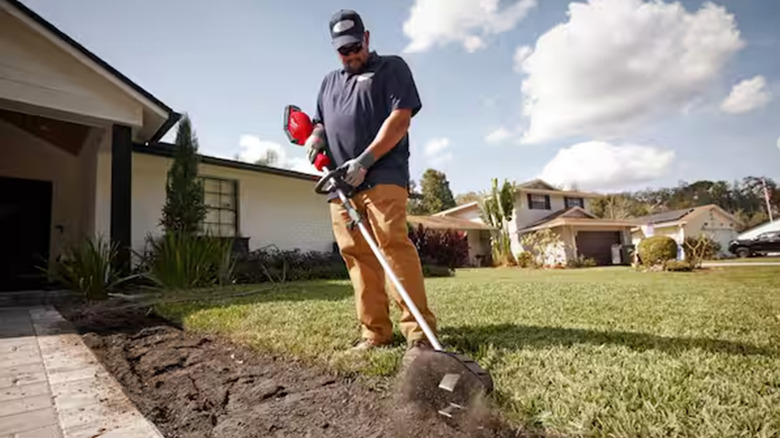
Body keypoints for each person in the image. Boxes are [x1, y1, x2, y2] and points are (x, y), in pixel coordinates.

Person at [305, 9, 437, 363]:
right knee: (358, 258)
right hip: (340, 188)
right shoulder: (328, 82)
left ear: (366, 38)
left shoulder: (391, 68)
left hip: (382, 176)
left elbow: (400, 118)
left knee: (393, 247)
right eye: (342, 51)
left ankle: (420, 335)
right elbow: (320, 121)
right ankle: (375, 332)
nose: (350, 55)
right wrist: (317, 137)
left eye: (353, 46)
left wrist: (364, 161)